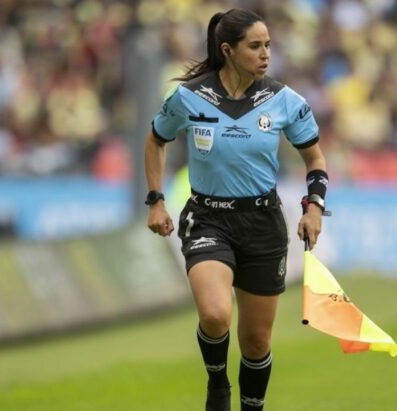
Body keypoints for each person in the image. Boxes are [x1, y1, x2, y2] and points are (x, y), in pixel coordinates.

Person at [144, 8, 328, 411]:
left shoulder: (284, 100)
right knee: (214, 315)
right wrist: (156, 199)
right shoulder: (188, 96)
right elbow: (157, 140)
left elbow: (315, 160)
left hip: (263, 224)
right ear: (227, 50)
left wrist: (314, 208)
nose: (265, 55)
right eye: (255, 46)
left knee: (257, 342)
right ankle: (217, 386)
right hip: (208, 218)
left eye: (268, 46)